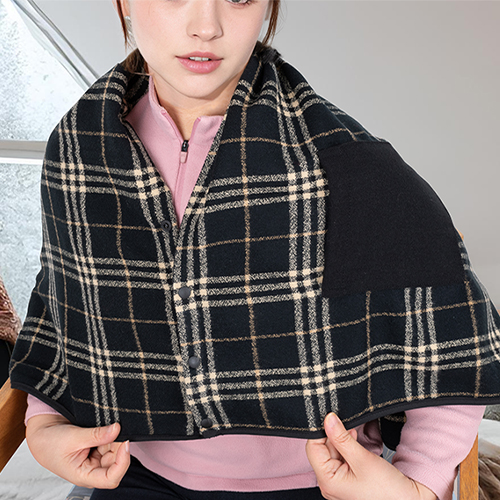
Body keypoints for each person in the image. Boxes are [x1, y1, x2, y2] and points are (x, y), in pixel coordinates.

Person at [9, 1, 500, 499]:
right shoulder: (80, 149)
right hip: (136, 475)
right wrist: (44, 422)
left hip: (321, 484)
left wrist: (419, 484)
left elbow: (455, 339)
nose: (206, 27)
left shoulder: (342, 161)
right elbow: (65, 306)